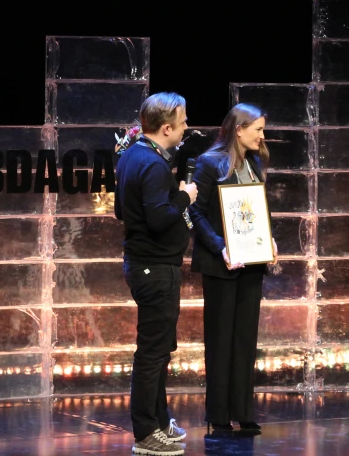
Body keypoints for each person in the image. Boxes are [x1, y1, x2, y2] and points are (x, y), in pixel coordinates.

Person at [115, 92, 197, 456]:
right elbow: (160, 218)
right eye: (182, 123)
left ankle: (160, 422)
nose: (186, 128)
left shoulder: (133, 155)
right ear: (166, 128)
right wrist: (185, 196)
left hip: (150, 265)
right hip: (154, 269)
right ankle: (146, 434)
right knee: (152, 353)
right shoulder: (152, 165)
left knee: (160, 350)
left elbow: (121, 210)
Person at [190, 103, 278, 434]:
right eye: (257, 129)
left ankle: (243, 410)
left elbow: (258, 207)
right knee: (220, 339)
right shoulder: (209, 162)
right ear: (239, 129)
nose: (262, 136)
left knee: (244, 339)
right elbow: (196, 213)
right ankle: (218, 415)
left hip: (251, 262)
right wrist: (221, 247)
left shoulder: (255, 161)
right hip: (221, 263)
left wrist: (269, 239)